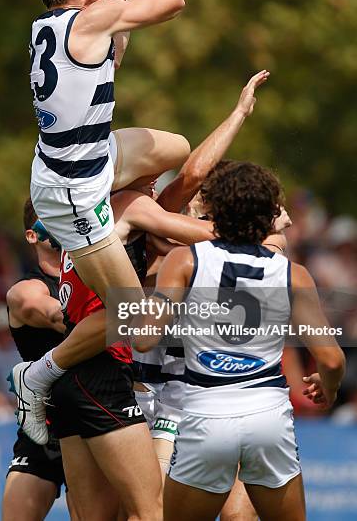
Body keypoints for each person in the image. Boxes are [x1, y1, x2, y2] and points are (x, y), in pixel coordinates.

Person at [10, 71, 271, 445]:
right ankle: (37, 376)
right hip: (120, 369)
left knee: (100, 506)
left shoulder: (102, 210)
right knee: (148, 504)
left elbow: (194, 173)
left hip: (115, 369)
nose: (157, 180)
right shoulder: (130, 205)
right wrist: (257, 232)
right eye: (149, 173)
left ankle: (40, 375)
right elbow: (194, 205)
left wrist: (240, 113)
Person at [133, 160, 345, 521]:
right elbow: (332, 360)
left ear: (213, 210)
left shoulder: (185, 260)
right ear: (270, 215)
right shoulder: (294, 275)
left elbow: (143, 339)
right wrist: (329, 389)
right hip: (268, 416)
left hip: (206, 414)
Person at [27, 0, 189, 311]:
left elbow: (112, 56)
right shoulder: (91, 20)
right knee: (139, 323)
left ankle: (126, 218)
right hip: (73, 192)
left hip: (90, 157)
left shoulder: (46, 25)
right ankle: (35, 373)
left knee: (177, 148)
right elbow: (174, 1)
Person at [3, 199, 76, 521]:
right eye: (53, 217)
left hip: (92, 424)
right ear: (32, 235)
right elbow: (56, 315)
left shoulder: (94, 281)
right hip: (42, 430)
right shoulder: (25, 289)